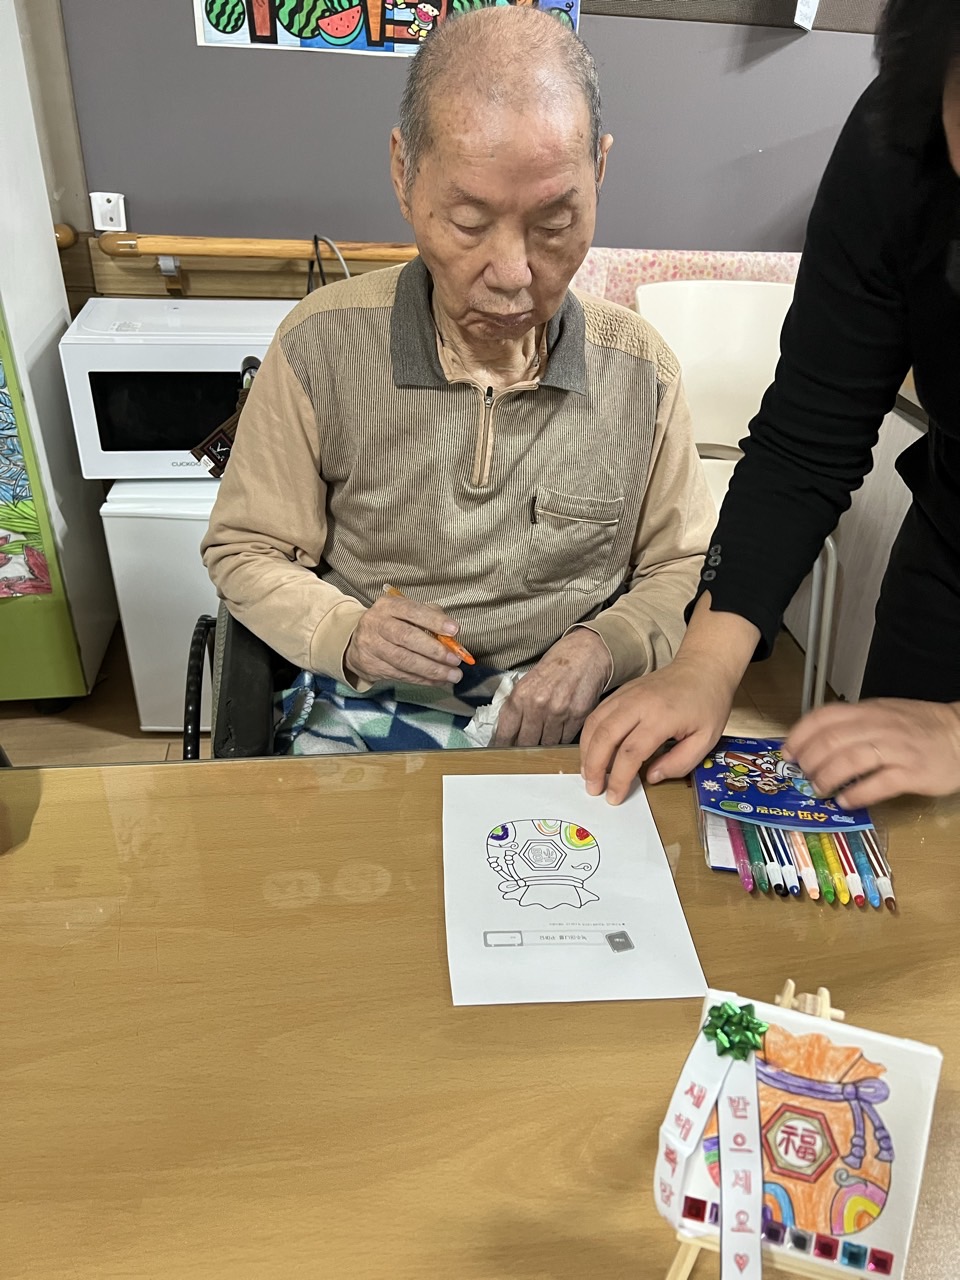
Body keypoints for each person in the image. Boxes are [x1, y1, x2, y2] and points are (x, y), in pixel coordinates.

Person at [202, 6, 712, 754]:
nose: (512, 274)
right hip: (364, 699)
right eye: (470, 222)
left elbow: (681, 562)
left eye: (553, 224)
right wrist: (346, 631)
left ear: (599, 171)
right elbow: (245, 550)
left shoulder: (642, 371)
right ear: (404, 172)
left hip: (572, 710)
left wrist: (608, 645)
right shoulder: (320, 346)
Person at [581, 0, 960, 807]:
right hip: (952, 557)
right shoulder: (899, 138)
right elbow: (807, 437)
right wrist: (704, 663)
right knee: (903, 852)